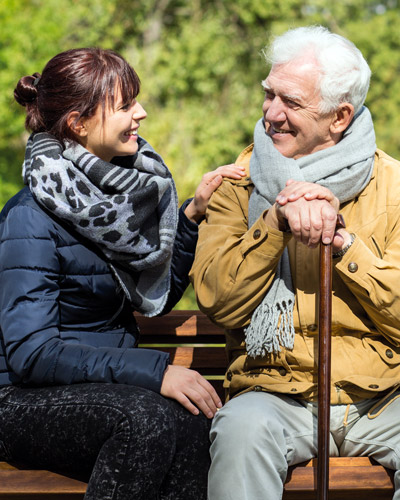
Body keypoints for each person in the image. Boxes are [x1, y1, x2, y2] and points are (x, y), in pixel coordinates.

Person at [0, 47, 245, 500]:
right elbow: (30, 353)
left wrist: (191, 216)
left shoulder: (115, 207)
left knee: (195, 421)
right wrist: (157, 372)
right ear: (78, 123)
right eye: (126, 105)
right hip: (21, 399)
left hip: (104, 389)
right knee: (145, 421)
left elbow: (153, 298)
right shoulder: (28, 217)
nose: (142, 113)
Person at [190, 25, 400, 500]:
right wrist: (275, 223)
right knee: (240, 433)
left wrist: (344, 244)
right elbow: (218, 302)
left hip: (384, 398)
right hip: (274, 395)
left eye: (291, 102)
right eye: (268, 95)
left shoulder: (394, 186)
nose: (271, 114)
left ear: (339, 116)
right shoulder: (235, 185)